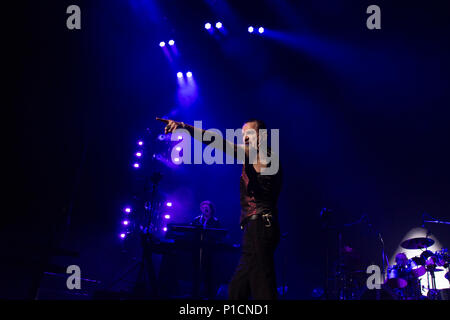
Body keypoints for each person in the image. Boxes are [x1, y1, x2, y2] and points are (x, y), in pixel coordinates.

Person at [156, 117, 282, 300]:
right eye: (243, 134)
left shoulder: (261, 154)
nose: (244, 138)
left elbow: (219, 143)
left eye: (250, 134)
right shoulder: (266, 157)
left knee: (263, 285)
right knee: (238, 289)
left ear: (262, 136)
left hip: (260, 226)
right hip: (259, 227)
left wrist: (184, 127)